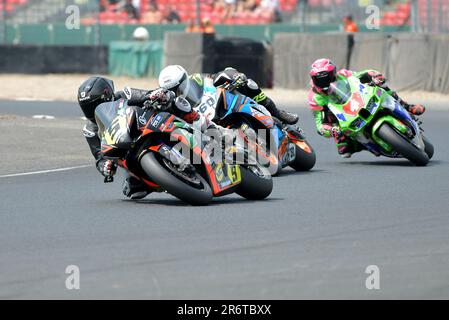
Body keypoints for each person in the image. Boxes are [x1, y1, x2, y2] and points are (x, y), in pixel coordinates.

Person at [77, 76, 204, 200]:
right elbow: (99, 156)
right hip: (127, 151)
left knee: (175, 104)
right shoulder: (90, 130)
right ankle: (165, 179)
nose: (91, 110)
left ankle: (203, 126)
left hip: (149, 125)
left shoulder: (125, 95)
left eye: (94, 104)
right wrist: (105, 166)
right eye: (86, 107)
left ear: (107, 95)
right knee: (133, 189)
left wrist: (156, 95)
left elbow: (147, 94)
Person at [307, 58, 426, 158]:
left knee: (381, 85)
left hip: (359, 100)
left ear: (333, 73)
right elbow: (319, 123)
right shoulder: (314, 98)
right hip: (344, 117)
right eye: (320, 80)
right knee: (344, 150)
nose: (324, 82)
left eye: (327, 78)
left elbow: (360, 75)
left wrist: (373, 75)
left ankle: (407, 106)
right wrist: (330, 130)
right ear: (313, 79)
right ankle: (361, 143)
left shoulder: (343, 75)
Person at [157, 65, 299, 125]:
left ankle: (277, 113)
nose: (177, 92)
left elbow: (218, 75)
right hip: (205, 123)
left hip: (220, 103)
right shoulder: (171, 105)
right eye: (173, 91)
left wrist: (235, 76)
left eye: (179, 87)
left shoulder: (196, 79)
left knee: (249, 84)